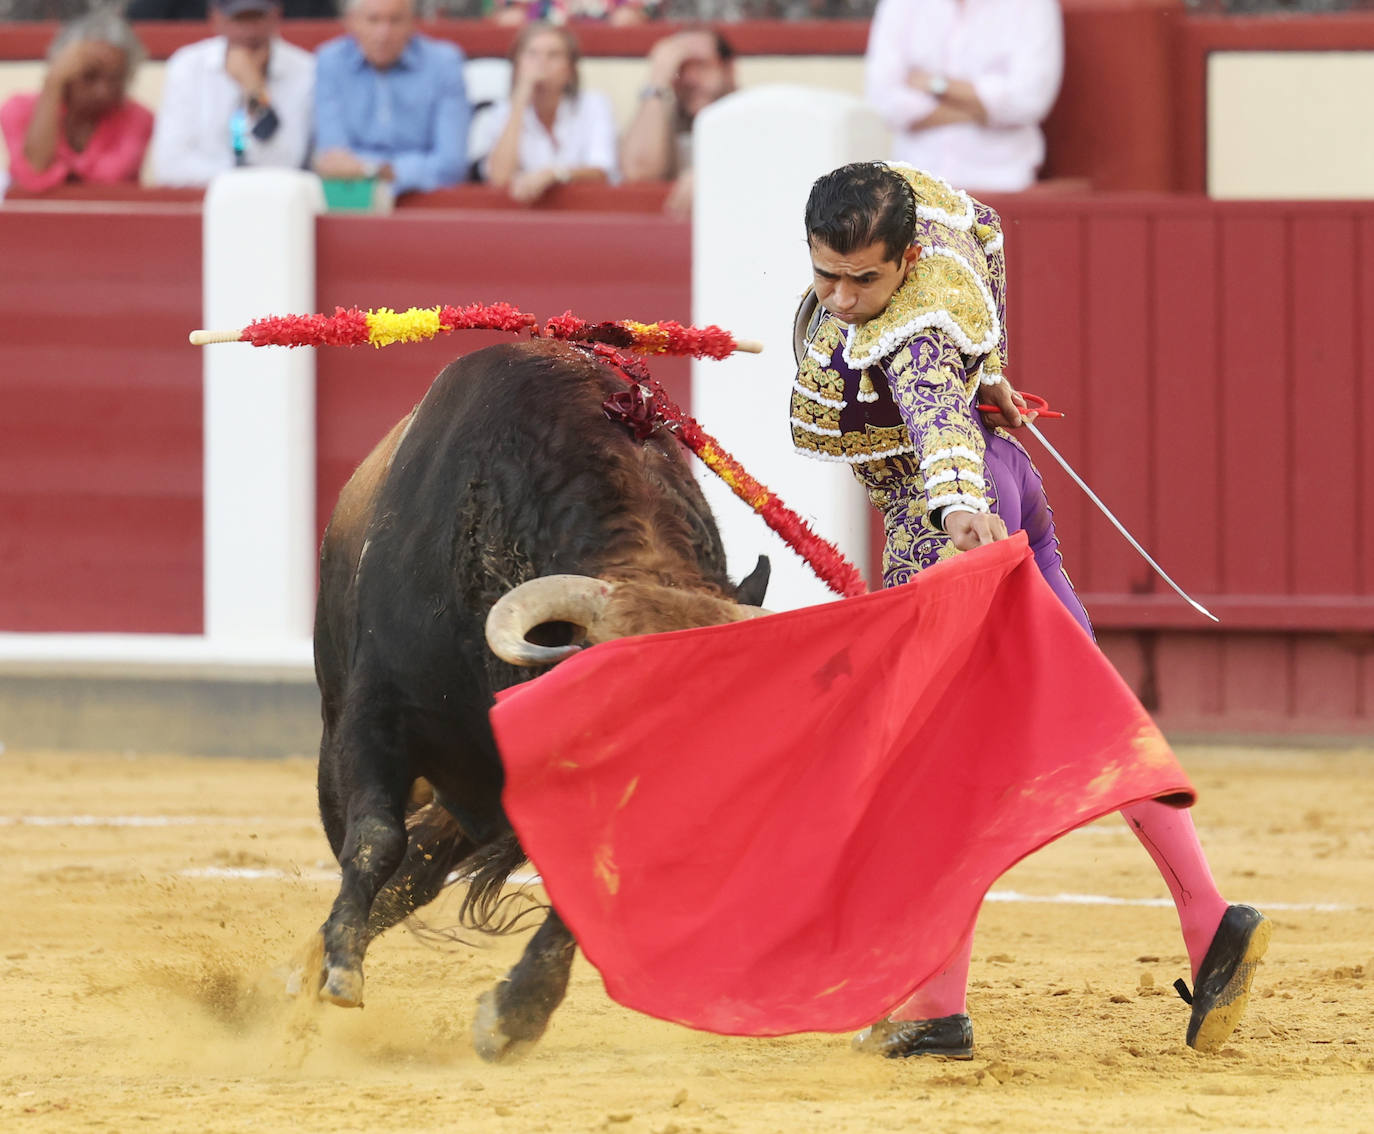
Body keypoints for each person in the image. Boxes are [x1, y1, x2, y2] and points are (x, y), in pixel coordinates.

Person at [792, 161, 1270, 1059]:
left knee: (927, 768)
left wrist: (958, 505)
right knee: (1100, 713)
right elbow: (986, 226)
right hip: (1020, 480)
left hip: (953, 519)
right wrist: (995, 375)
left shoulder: (918, 330)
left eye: (866, 278)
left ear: (905, 260)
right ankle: (1213, 924)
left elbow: (934, 414)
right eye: (828, 274)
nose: (846, 299)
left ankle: (935, 1007)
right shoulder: (930, 220)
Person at [863, 0, 1063, 192]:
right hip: (914, 187)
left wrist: (935, 85)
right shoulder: (900, 4)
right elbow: (886, 103)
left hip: (1003, 185)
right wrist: (988, 108)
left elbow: (1028, 100)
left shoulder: (1033, 5)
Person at [149, 0, 315, 187]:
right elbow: (169, 166)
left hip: (273, 204)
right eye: (238, 18)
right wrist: (237, 178)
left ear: (276, 16)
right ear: (216, 18)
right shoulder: (188, 66)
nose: (248, 30)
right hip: (202, 201)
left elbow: (285, 162)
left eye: (256, 17)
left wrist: (255, 90)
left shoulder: (305, 70)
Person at [313, 0, 471, 195]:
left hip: (428, 204)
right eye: (373, 20)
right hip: (352, 203)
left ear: (413, 22)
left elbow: (452, 166)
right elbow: (333, 159)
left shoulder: (444, 63)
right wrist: (397, 171)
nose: (383, 33)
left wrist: (372, 171)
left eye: (395, 20)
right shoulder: (330, 61)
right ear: (351, 22)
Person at [1, 9, 153, 194]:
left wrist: (59, 173)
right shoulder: (18, 110)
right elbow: (33, 171)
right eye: (89, 77)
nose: (102, 91)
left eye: (115, 79)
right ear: (64, 72)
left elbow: (108, 181)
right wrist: (53, 84)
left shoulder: (138, 117)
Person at [469, 22, 616, 203]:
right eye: (532, 54)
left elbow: (602, 171)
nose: (541, 63)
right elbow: (499, 178)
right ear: (517, 65)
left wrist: (554, 175)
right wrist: (520, 99)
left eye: (553, 55)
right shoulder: (501, 111)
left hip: (586, 214)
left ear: (570, 69)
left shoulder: (593, 105)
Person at [620, 26, 734, 216]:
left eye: (701, 65)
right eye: (680, 69)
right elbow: (639, 174)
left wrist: (714, 176)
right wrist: (657, 81)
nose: (689, 79)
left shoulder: (754, 118)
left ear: (728, 69)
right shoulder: (664, 122)